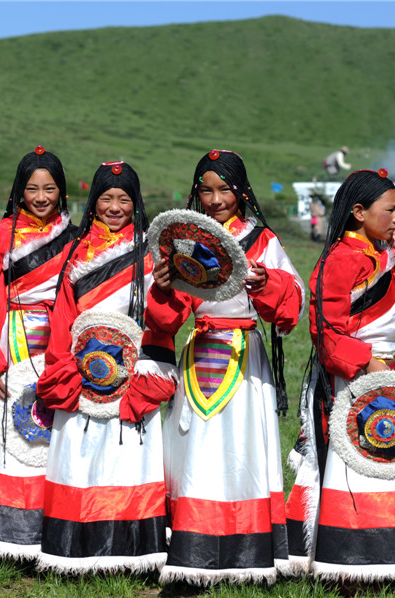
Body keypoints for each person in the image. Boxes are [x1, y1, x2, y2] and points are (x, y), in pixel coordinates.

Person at [147, 150, 304, 585]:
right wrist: (162, 290)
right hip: (199, 349)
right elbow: (166, 318)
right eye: (206, 190)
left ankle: (247, 550)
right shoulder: (184, 243)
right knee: (197, 444)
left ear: (241, 192)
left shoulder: (262, 240)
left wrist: (266, 282)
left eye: (224, 190)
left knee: (242, 446)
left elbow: (292, 307)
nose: (215, 199)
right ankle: (193, 547)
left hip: (246, 356)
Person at [284, 168, 395, 582]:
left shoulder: (388, 253)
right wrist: (369, 367)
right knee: (358, 465)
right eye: (390, 209)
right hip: (353, 379)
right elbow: (324, 329)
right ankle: (354, 560)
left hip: (390, 374)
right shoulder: (340, 258)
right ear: (359, 212)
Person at [34, 161, 169, 574]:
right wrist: (64, 368)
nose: (114, 206)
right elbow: (64, 314)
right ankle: (77, 547)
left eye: (124, 199)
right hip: (83, 368)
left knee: (128, 457)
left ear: (136, 203)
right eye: (107, 198)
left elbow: (166, 321)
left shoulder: (150, 249)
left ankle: (132, 552)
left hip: (133, 371)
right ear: (94, 201)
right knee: (83, 453)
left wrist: (165, 289)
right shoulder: (76, 249)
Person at [0, 146, 77, 560]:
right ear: (19, 190)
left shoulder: (76, 235)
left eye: (49, 188)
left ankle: (52, 529)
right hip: (13, 336)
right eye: (32, 188)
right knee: (6, 427)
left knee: (54, 429)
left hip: (59, 341)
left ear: (62, 191)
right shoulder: (0, 234)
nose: (41, 197)